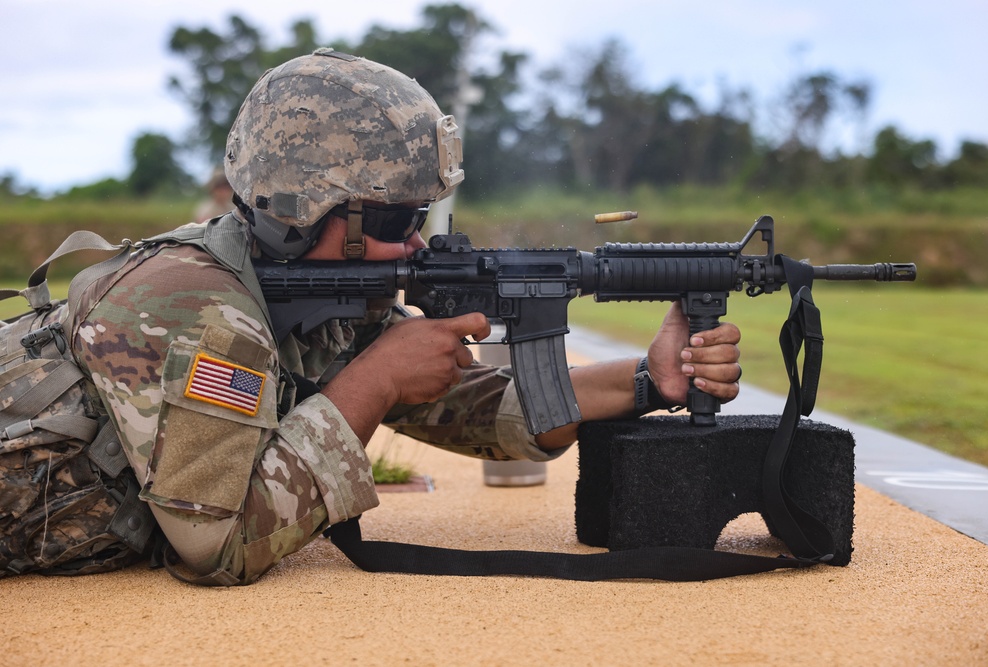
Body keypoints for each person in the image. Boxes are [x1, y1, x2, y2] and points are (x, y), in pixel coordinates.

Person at [69, 49, 742, 586]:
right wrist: (376, 381)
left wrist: (651, 378)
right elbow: (218, 546)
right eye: (397, 218)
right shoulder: (194, 306)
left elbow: (491, 411)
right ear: (298, 210)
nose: (417, 242)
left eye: (423, 216)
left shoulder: (322, 305)